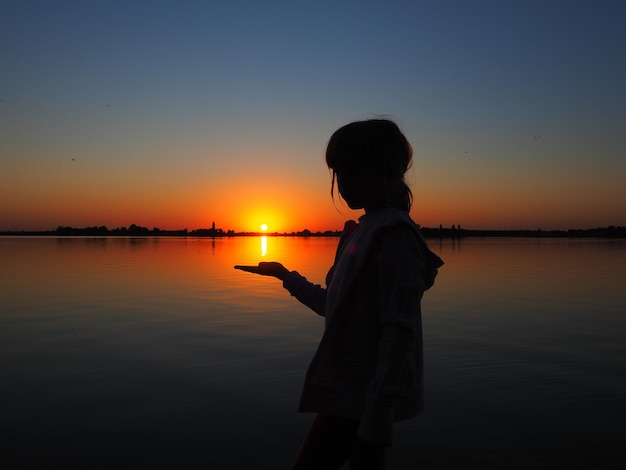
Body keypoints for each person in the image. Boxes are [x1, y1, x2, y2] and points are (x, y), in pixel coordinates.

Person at [235, 119, 444, 469]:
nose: (342, 181)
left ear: (382, 169)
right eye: (337, 171)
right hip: (349, 393)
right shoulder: (361, 232)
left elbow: (399, 328)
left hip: (366, 397)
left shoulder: (394, 235)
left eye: (351, 168)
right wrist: (285, 276)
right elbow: (331, 306)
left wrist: (377, 412)